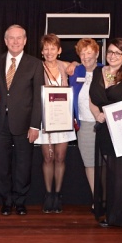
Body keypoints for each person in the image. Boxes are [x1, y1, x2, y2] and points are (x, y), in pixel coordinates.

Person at [0, 24, 44, 216]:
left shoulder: (35, 64)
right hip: (0, 123)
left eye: (19, 38)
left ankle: (20, 201)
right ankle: (6, 201)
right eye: (11, 38)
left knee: (23, 165)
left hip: (24, 124)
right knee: (2, 166)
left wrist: (34, 125)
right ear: (5, 41)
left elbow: (38, 97)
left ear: (25, 40)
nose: (15, 41)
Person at [89, 38, 122, 227]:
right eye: (110, 52)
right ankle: (110, 210)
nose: (112, 56)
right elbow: (92, 99)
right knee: (108, 171)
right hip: (103, 128)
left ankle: (118, 216)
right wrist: (97, 115)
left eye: (117, 53)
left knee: (120, 173)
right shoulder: (98, 72)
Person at [35, 34, 76, 213]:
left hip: (63, 118)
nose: (49, 52)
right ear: (42, 51)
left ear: (59, 50)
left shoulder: (65, 66)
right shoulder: (37, 67)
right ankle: (48, 194)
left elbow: (84, 66)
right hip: (45, 120)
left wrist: (75, 64)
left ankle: (58, 194)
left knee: (60, 157)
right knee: (48, 158)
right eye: (46, 48)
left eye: (53, 48)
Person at [68, 38, 102, 200]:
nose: (86, 56)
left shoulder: (106, 70)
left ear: (97, 54)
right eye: (82, 53)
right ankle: (97, 199)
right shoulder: (76, 71)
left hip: (104, 125)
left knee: (105, 164)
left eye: (89, 52)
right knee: (89, 164)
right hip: (85, 125)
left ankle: (108, 199)